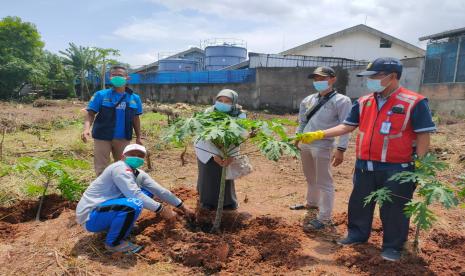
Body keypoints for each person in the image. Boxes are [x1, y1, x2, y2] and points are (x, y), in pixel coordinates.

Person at [296, 57, 436, 261]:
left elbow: (423, 135)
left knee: (394, 208)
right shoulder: (364, 101)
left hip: (397, 166)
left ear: (392, 76)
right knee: (359, 202)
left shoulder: (414, 102)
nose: (370, 81)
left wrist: (421, 166)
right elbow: (347, 126)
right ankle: (357, 234)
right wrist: (320, 134)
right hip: (364, 164)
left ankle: (392, 246)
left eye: (375, 76)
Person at [76, 144, 194, 254]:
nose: (136, 157)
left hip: (105, 209)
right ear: (123, 156)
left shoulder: (138, 173)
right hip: (91, 216)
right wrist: (162, 210)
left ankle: (118, 226)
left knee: (147, 192)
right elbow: (135, 195)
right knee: (134, 204)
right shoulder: (119, 168)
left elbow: (159, 190)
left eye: (140, 156)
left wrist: (182, 206)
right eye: (133, 154)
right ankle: (113, 244)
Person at [292, 66, 352, 230]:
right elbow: (302, 121)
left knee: (324, 181)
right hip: (306, 144)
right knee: (310, 177)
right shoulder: (308, 100)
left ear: (332, 79)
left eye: (322, 79)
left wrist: (341, 149)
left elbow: (346, 126)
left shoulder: (342, 101)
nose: (318, 82)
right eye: (316, 79)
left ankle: (324, 217)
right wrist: (297, 137)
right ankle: (311, 203)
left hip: (323, 145)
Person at [81, 65, 143, 176]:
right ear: (110, 77)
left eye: (120, 75)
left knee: (123, 168)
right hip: (102, 137)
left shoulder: (135, 98)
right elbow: (90, 113)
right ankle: (104, 190)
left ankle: (119, 190)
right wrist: (86, 129)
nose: (117, 77)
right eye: (114, 75)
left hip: (124, 138)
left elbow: (135, 118)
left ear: (127, 78)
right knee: (101, 169)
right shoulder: (101, 95)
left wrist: (138, 136)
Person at [195, 89, 246, 211]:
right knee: (208, 174)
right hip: (206, 147)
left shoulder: (240, 115)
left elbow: (239, 137)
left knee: (226, 176)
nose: (223, 103)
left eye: (227, 101)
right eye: (220, 100)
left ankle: (228, 202)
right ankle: (206, 202)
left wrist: (231, 155)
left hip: (227, 148)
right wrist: (214, 155)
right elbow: (205, 136)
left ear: (233, 103)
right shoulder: (209, 112)